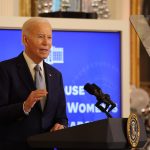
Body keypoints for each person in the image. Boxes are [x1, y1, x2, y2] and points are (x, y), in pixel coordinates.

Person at [0, 17, 68, 150]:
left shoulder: (56, 75)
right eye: (41, 37)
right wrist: (24, 106)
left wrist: (61, 126)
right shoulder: (5, 70)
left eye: (49, 37)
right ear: (25, 40)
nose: (46, 43)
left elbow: (62, 116)